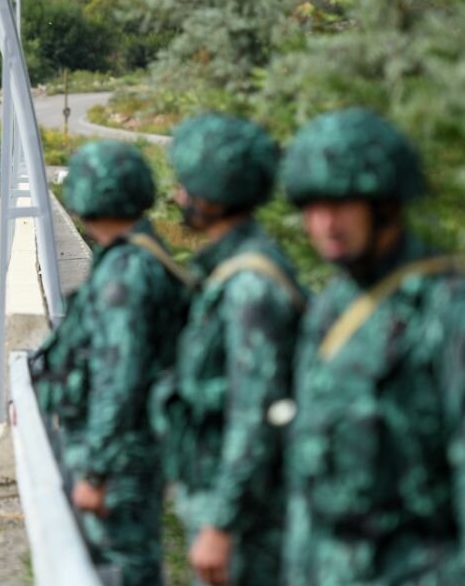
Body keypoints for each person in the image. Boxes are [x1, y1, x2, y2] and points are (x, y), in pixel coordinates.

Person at [280, 108, 465, 585]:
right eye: (312, 207)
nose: (325, 224)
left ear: (384, 205)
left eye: (341, 204)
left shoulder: (444, 309)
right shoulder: (332, 305)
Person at [150, 113, 304, 586]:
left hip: (247, 522)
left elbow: (256, 410)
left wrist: (222, 523)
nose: (179, 197)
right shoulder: (232, 267)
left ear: (213, 194)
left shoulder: (249, 284)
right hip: (224, 497)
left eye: (188, 186)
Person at [31, 141, 192, 586]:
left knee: (121, 568)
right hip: (126, 452)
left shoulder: (125, 271)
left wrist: (97, 471)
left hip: (118, 462)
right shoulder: (137, 255)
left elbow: (120, 378)